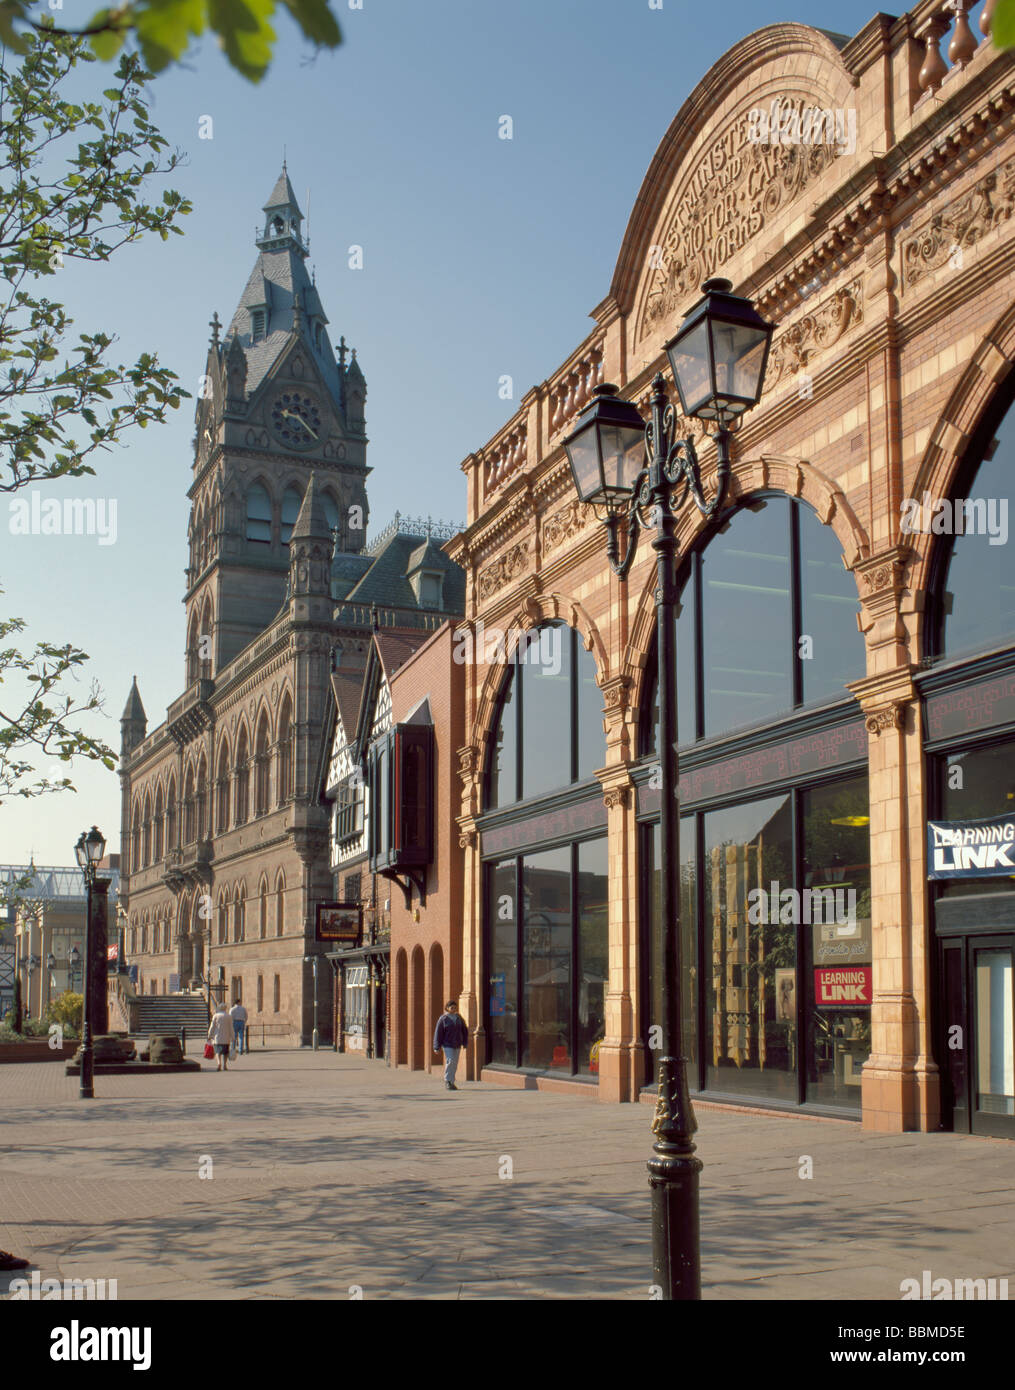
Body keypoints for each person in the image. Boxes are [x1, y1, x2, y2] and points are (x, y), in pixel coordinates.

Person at [432, 1000, 468, 1091]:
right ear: (447, 1008)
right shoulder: (443, 1019)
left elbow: (464, 1030)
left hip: (457, 1044)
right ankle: (447, 1080)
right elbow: (438, 1033)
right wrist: (436, 1047)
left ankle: (452, 1082)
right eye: (452, 1007)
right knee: (450, 1061)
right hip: (447, 1044)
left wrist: (465, 1042)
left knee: (454, 1063)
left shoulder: (458, 1018)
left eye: (455, 1007)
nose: (453, 1009)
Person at [207, 1000, 234, 1071]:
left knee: (217, 1052)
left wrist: (209, 1035)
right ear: (225, 1008)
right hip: (226, 1037)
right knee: (225, 1053)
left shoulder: (215, 1016)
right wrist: (233, 1037)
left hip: (217, 1037)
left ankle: (219, 1063)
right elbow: (231, 1027)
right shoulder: (229, 1016)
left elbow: (212, 1026)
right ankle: (225, 1065)